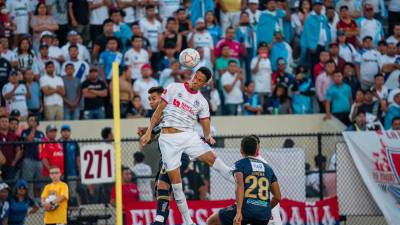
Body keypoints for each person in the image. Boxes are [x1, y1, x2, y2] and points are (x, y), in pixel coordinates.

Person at [140, 67, 234, 225]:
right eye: (195, 77)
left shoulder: (202, 102)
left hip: (188, 137)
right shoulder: (173, 87)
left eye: (200, 80)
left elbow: (205, 124)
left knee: (216, 162)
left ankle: (243, 184)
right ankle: (188, 222)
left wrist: (208, 136)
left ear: (204, 84)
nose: (195, 81)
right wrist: (149, 131)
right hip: (168, 141)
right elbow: (158, 112)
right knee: (175, 186)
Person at [206, 135, 281, 225]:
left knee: (212, 221)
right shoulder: (268, 168)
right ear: (257, 150)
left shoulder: (240, 164)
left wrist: (238, 212)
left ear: (241, 150)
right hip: (264, 214)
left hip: (246, 210)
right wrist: (266, 209)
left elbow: (239, 185)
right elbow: (277, 197)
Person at [300, 0, 331, 68]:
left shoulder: (324, 17)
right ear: (313, 6)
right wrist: (312, 46)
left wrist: (328, 43)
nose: (318, 7)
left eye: (320, 5)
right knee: (314, 64)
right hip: (315, 46)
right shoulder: (309, 18)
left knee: (324, 65)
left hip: (323, 45)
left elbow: (327, 31)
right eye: (316, 5)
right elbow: (307, 33)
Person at [21, 115, 45, 199]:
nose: (33, 122)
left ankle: (39, 201)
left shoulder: (41, 134)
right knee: (28, 182)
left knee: (39, 183)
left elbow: (44, 147)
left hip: (39, 161)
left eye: (35, 120)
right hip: (28, 160)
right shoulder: (24, 132)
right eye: (31, 120)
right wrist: (34, 128)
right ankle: (30, 201)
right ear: (27, 122)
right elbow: (29, 140)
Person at [59, 124, 80, 204]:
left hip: (72, 171)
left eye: (67, 131)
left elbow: (77, 157)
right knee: (61, 192)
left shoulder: (74, 143)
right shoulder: (57, 143)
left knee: (72, 192)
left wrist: (79, 169)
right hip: (60, 172)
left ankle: (73, 208)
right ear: (61, 132)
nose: (66, 133)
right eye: (64, 131)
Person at [0, 115, 22, 180]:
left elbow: (19, 150)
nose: (4, 123)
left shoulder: (13, 136)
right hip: (0, 165)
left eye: (6, 121)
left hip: (10, 165)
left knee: (9, 186)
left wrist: (14, 162)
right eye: (2, 121)